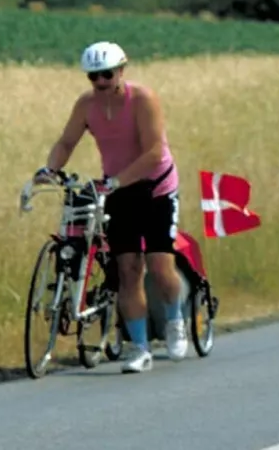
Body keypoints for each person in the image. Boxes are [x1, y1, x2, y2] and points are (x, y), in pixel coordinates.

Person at [29, 42, 186, 373]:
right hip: (118, 191)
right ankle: (140, 348)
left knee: (160, 267)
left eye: (106, 75)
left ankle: (175, 318)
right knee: (128, 271)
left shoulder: (142, 99)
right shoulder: (86, 105)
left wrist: (116, 181)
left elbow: (154, 153)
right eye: (93, 77)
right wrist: (51, 169)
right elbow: (66, 142)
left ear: (121, 71)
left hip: (155, 188)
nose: (100, 82)